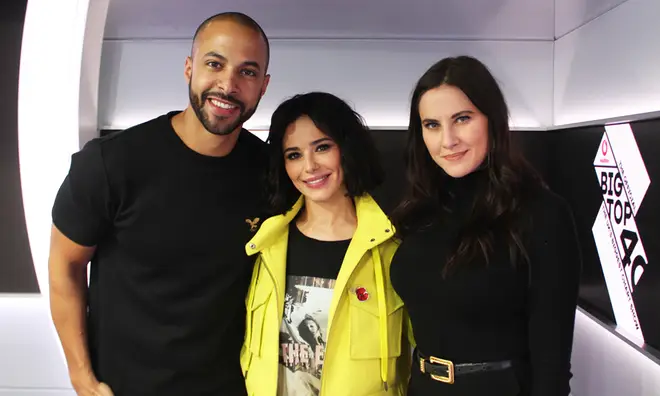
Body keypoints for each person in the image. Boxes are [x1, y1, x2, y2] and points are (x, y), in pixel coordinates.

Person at [48, 12, 271, 396]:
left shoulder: (272, 175)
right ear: (189, 68)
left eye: (247, 72)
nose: (228, 84)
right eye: (214, 64)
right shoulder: (110, 163)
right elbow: (65, 265)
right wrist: (80, 373)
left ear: (263, 86)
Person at [389, 56, 582, 396]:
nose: (448, 140)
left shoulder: (543, 214)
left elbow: (552, 362)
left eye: (462, 119)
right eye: (432, 125)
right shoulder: (417, 211)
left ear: (492, 119)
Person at [240, 92, 411, 395]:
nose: (309, 166)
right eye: (293, 155)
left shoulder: (392, 248)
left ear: (347, 149)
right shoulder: (265, 244)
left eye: (322, 147)